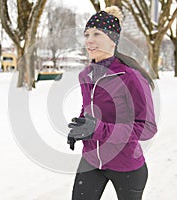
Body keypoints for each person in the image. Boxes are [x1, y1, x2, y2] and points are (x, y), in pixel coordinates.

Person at [67, 6, 157, 200]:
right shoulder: (86, 75)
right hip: (91, 159)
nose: (89, 40)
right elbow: (88, 109)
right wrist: (81, 127)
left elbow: (147, 128)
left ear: (113, 39)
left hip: (126, 165)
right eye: (87, 34)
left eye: (97, 34)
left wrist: (98, 130)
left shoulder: (131, 77)